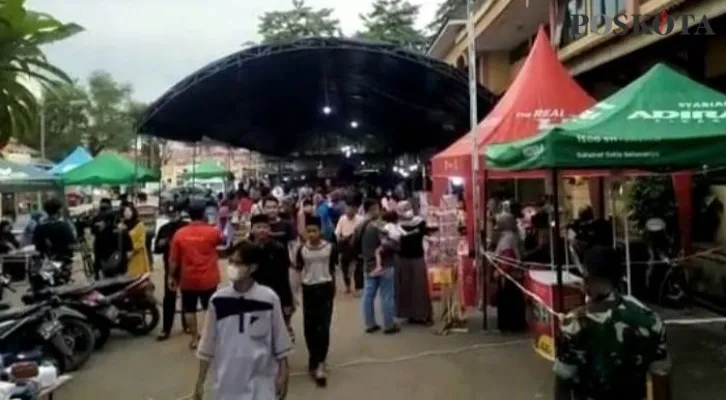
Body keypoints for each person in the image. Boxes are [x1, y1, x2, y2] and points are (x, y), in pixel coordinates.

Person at [554, 245, 672, 400]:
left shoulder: (574, 323)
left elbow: (563, 383)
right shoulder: (651, 321)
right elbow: (661, 381)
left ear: (588, 278)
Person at [193, 242, 292, 400]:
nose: (231, 266)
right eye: (230, 261)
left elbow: (280, 341)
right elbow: (207, 344)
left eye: (237, 263)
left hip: (261, 383)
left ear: (252, 268)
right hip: (227, 383)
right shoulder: (218, 300)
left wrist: (284, 375)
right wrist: (200, 382)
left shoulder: (269, 298)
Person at [169, 200, 222, 350]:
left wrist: (171, 277)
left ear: (189, 215)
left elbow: (173, 260)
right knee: (210, 309)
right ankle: (210, 338)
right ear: (204, 214)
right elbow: (221, 243)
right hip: (209, 278)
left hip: (188, 278)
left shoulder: (180, 234)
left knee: (189, 309)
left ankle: (194, 339)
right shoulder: (213, 231)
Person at [295, 215, 337, 387]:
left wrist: (333, 290)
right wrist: (294, 293)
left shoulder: (330, 248)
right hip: (308, 289)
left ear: (321, 231)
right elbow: (298, 271)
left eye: (315, 230)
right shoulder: (301, 250)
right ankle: (313, 358)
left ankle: (320, 362)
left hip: (325, 288)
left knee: (323, 326)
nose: (311, 234)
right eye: (309, 231)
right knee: (309, 327)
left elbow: (333, 269)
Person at [248, 214, 295, 342]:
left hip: (275, 294)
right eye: (258, 227)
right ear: (252, 229)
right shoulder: (245, 250)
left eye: (265, 227)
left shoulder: (279, 249)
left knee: (276, 333)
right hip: (252, 296)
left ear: (269, 229)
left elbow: (284, 277)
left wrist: (287, 301)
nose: (262, 230)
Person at [356, 198, 399, 334]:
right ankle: (389, 325)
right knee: (386, 294)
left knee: (368, 295)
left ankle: (370, 324)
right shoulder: (380, 225)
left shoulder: (360, 226)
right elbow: (388, 244)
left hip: (368, 264)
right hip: (385, 264)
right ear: (374, 208)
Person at [154, 203, 190, 341]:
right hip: (170, 268)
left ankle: (187, 324)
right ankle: (166, 328)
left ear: (180, 213)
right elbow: (156, 249)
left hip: (186, 266)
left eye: (175, 213)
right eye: (170, 214)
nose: (173, 216)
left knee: (187, 296)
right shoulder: (163, 229)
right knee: (169, 298)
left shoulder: (186, 227)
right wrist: (161, 244)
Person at [395, 201, 434, 325]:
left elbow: (425, 233)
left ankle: (423, 314)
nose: (408, 210)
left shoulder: (420, 222)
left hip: (415, 258)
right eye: (404, 208)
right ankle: (410, 314)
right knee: (407, 288)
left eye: (408, 207)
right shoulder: (397, 224)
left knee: (419, 288)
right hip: (403, 259)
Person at [493, 212, 527, 333]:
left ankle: (510, 325)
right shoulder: (512, 235)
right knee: (514, 300)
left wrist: (500, 271)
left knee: (508, 300)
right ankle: (515, 324)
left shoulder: (508, 238)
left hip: (509, 275)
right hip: (513, 273)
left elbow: (508, 257)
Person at [33, 197, 76, 263]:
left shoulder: (39, 227)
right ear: (59, 210)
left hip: (45, 261)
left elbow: (36, 245)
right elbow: (72, 243)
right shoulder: (64, 226)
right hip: (63, 260)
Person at [334, 200, 363, 295]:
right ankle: (347, 285)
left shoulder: (360, 219)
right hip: (345, 244)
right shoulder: (342, 219)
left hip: (357, 244)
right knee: (344, 266)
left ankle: (358, 287)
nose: (349, 211)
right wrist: (341, 239)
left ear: (355, 210)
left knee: (358, 267)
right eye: (347, 210)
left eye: (351, 209)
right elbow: (337, 233)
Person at [120, 204, 151, 278]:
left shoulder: (139, 225)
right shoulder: (121, 226)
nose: (127, 213)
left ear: (133, 212)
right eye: (125, 211)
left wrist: (131, 250)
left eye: (129, 211)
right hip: (124, 259)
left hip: (137, 257)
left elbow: (141, 242)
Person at [136, 192, 158, 270]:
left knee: (142, 248)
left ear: (138, 198)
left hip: (141, 231)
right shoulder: (152, 207)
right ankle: (150, 264)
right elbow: (155, 220)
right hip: (150, 230)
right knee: (148, 247)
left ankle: (144, 265)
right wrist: (154, 230)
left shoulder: (136, 208)